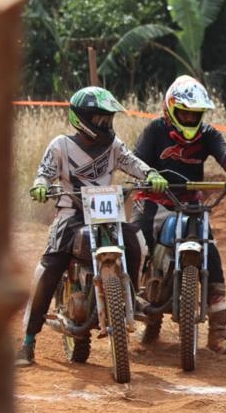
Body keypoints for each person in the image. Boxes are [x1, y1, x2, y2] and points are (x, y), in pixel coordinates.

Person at [15, 86, 169, 367]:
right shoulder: (60, 145)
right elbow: (44, 174)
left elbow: (133, 163)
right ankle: (28, 341)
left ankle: (128, 299)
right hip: (70, 215)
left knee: (137, 243)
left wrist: (151, 173)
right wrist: (40, 186)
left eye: (108, 120)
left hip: (105, 217)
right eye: (99, 119)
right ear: (81, 118)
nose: (105, 125)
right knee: (49, 269)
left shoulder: (113, 146)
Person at [132, 75, 226, 355]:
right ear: (170, 108)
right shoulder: (155, 130)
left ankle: (218, 331)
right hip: (155, 201)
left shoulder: (208, 134)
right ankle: (133, 304)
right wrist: (149, 175)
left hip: (192, 204)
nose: (190, 119)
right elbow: (136, 161)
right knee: (137, 243)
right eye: (185, 113)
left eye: (195, 114)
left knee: (212, 256)